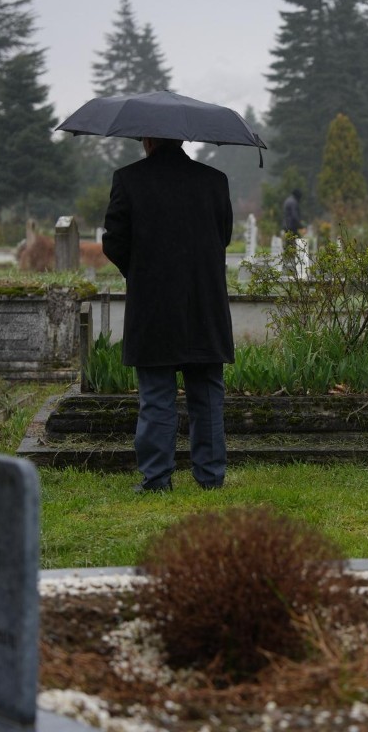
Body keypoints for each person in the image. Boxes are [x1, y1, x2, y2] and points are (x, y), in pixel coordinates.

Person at [102, 137, 235, 493]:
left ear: (148, 140)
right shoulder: (215, 180)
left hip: (153, 303)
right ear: (181, 138)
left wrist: (140, 271)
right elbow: (223, 235)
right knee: (207, 394)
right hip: (204, 300)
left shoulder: (128, 179)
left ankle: (157, 478)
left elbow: (114, 241)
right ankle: (211, 477)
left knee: (157, 396)